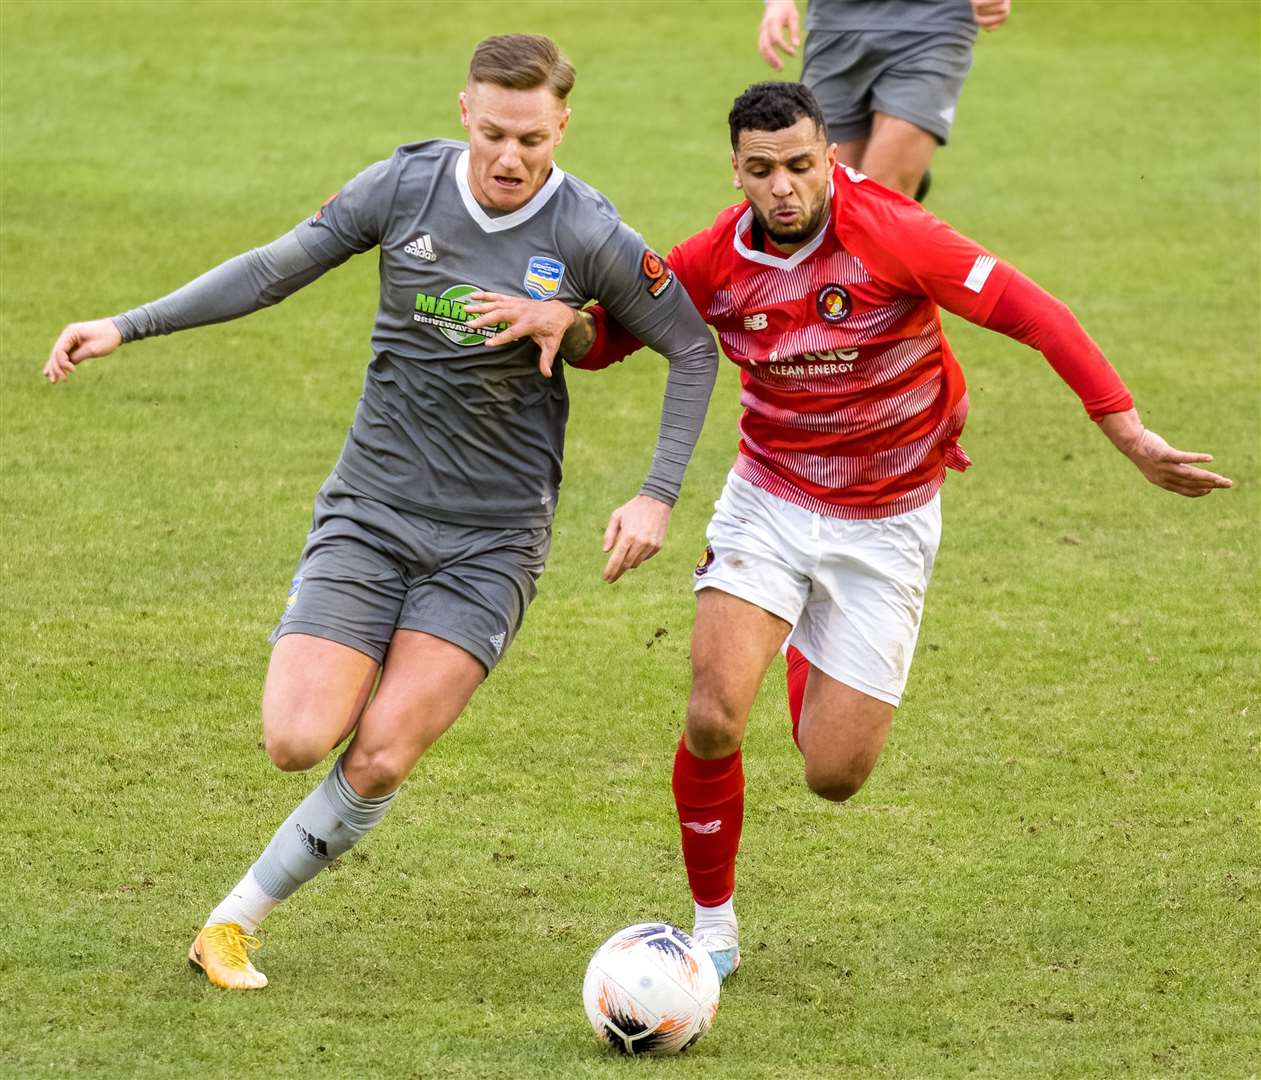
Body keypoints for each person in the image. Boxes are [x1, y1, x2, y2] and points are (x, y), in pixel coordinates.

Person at [466, 81, 1232, 983]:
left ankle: (801, 638)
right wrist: (567, 321)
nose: (784, 186)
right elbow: (621, 339)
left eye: (799, 165)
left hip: (888, 523)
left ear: (830, 156)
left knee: (834, 774)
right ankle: (712, 925)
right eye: (762, 171)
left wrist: (1127, 432)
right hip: (770, 499)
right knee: (713, 715)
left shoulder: (894, 233)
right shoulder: (715, 257)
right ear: (737, 172)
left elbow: (1034, 313)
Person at [43, 34, 718, 990]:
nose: (511, 157)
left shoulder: (589, 234)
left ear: (562, 124)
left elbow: (691, 349)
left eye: (531, 137)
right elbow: (274, 267)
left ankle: (231, 924)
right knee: (295, 740)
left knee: (385, 753)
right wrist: (126, 323)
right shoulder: (402, 189)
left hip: (490, 539)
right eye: (493, 133)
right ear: (464, 114)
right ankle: (343, 632)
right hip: (371, 511)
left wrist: (648, 485)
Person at [757, 0, 1012, 200]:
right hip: (835, 25)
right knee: (829, 198)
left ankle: (901, 199)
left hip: (935, 23)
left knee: (879, 199)